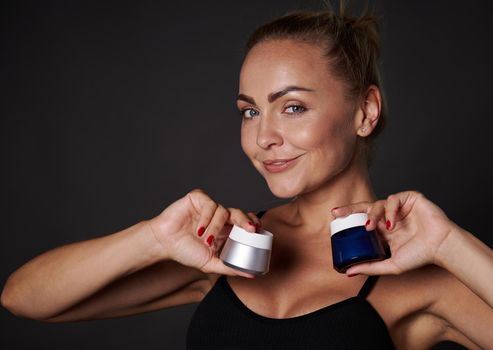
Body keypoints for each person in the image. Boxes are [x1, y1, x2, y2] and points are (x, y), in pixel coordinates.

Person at [2, 5, 492, 350]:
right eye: (250, 112)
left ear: (365, 111)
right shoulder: (227, 249)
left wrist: (450, 242)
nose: (263, 138)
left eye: (292, 107)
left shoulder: (423, 273)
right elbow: (23, 298)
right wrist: (151, 238)